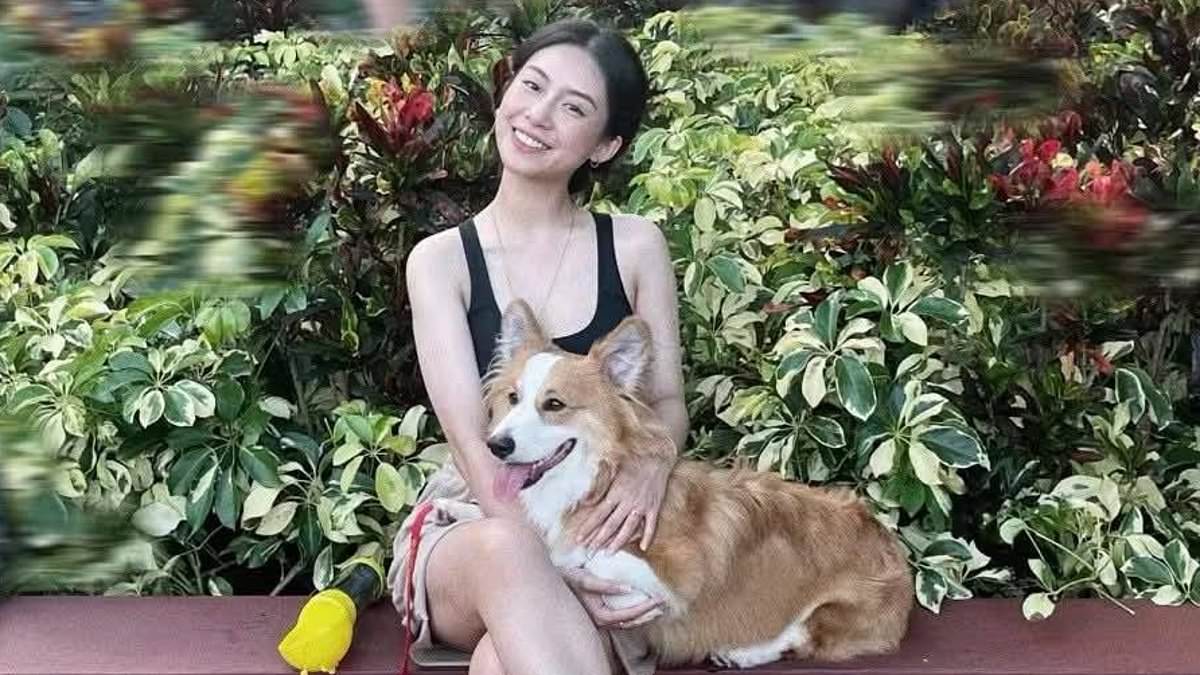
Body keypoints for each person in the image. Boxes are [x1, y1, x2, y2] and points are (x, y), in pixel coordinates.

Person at [389, 17, 689, 675]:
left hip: (599, 524)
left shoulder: (635, 246)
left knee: (502, 662)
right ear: (505, 93)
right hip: (475, 526)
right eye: (532, 86)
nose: (539, 115)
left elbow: (667, 401)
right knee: (512, 552)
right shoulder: (440, 261)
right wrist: (564, 571)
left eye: (574, 107)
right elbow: (471, 441)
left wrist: (651, 465)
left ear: (605, 146)